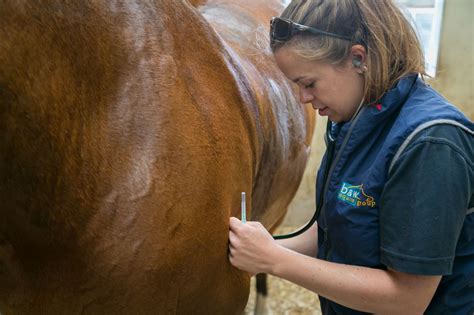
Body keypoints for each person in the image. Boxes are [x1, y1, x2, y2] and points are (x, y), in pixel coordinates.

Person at [228, 0, 474, 314]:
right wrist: (254, 252)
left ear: (359, 58)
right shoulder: (353, 121)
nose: (303, 98)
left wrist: (275, 261)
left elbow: (407, 299)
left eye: (309, 83)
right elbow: (333, 230)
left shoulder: (429, 143)